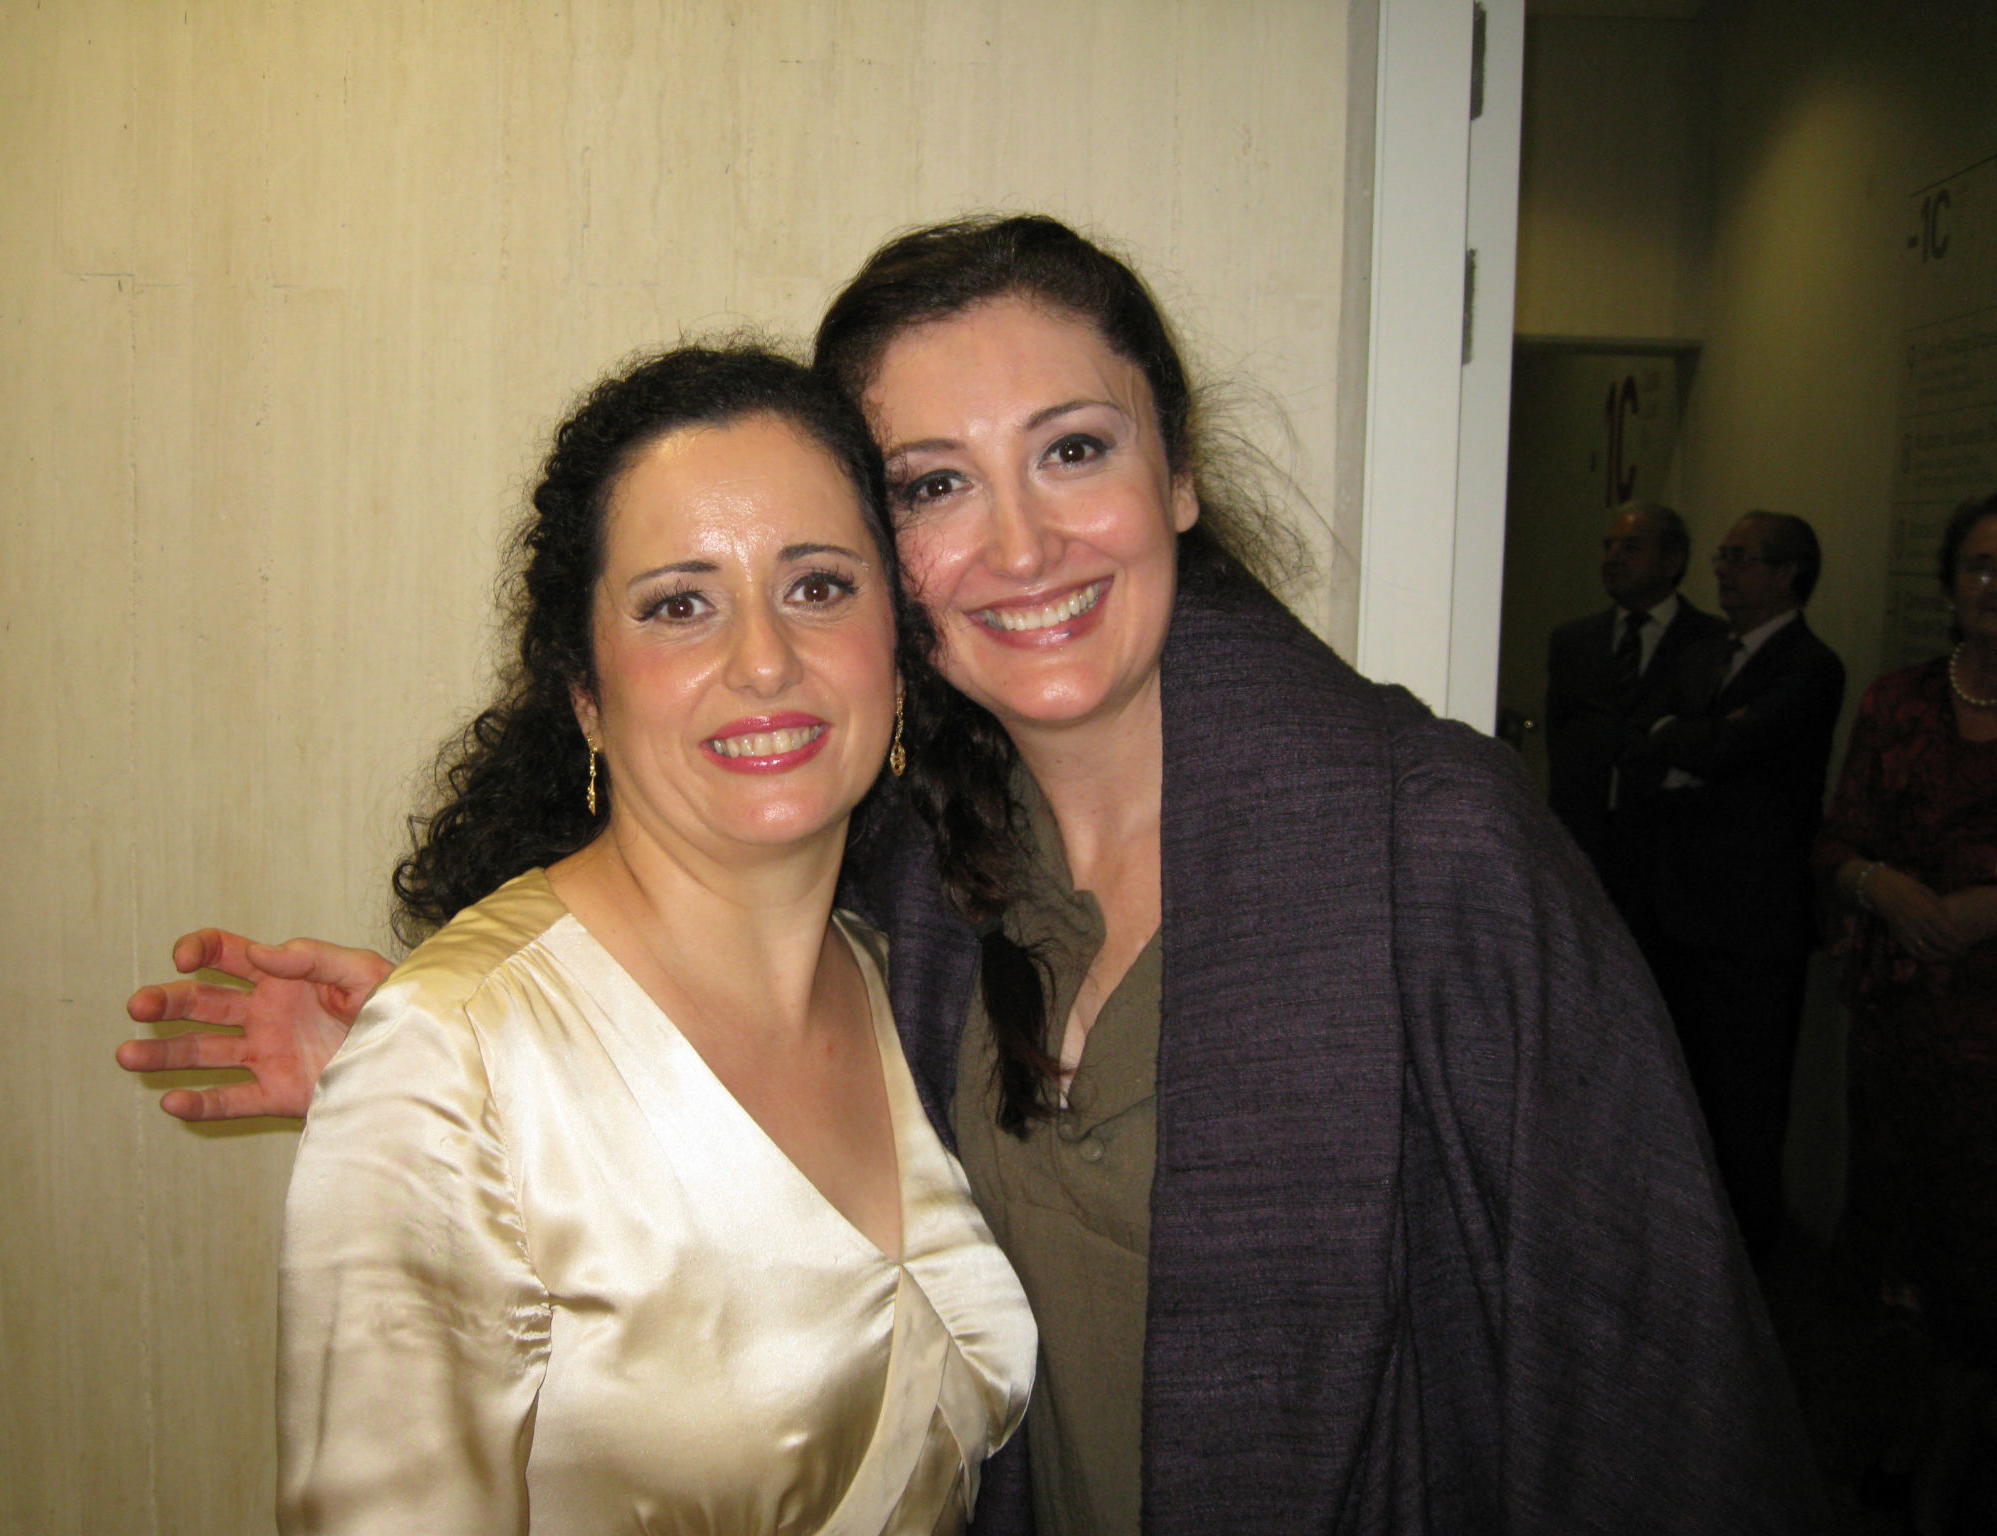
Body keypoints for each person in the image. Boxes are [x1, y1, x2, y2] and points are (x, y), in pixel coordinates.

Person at [124, 216, 1826, 1533]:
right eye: (937, 485)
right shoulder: (924, 890)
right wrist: (463, 1089)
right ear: (896, 567)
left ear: (1178, 475)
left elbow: (1649, 1369)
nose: (1020, 544)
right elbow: (736, 1170)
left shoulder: (1432, 846)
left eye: (1074, 450)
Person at [255, 344, 1036, 1534]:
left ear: (896, 646)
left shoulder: (908, 984)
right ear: (584, 692)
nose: (763, 660)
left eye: (818, 587)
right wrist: (432, 1078)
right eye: (680, 606)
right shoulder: (451, 1059)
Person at [1815, 491, 1997, 1530]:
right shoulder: (1898, 701)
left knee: (1977, 1255)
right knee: (1890, 1241)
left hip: (1990, 1040)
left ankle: (1945, 1465)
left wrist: (1986, 909)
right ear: (1949, 582)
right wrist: (1875, 885)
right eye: (1979, 565)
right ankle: (1885, 1437)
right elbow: (1834, 842)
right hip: (1896, 1025)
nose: (1995, 587)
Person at [1617, 511, 1845, 1261]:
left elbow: (1729, 748)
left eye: (1741, 558)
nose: (1721, 570)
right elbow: (1643, 733)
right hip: (1674, 909)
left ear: (1787, 573)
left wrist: (1683, 738)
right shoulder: (1703, 652)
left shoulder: (1810, 667)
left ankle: (1748, 1271)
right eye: (1721, 555)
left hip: (1752, 930)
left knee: (1745, 1106)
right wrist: (1687, 740)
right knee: (1678, 1094)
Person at [1543, 501, 1724, 929]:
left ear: (1672, 561)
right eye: (1608, 546)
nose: (1612, 558)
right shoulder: (1574, 640)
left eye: (1630, 547)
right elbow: (1559, 735)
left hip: (1669, 859)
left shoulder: (1711, 642)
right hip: (1583, 850)